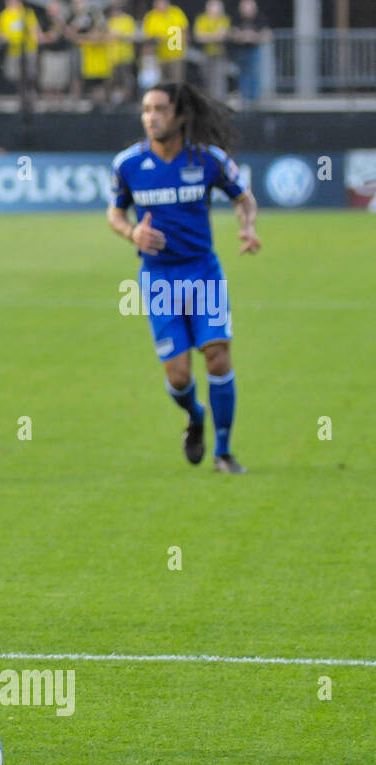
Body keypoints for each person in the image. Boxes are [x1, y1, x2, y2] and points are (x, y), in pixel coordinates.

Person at [107, 82, 260, 474]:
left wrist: (249, 227)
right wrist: (132, 233)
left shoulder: (208, 160)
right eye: (146, 110)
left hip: (202, 272)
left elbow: (242, 197)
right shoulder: (128, 164)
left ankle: (223, 453)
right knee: (178, 377)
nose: (151, 117)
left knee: (218, 356)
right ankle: (195, 415)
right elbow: (115, 213)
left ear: (180, 116)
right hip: (159, 279)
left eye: (159, 109)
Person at [0, 0, 38, 107]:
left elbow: (34, 29)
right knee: (15, 74)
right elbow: (1, 33)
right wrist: (4, 38)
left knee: (29, 73)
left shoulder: (27, 13)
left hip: (28, 49)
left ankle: (30, 92)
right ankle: (21, 94)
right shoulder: (3, 15)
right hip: (13, 51)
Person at [228, 0, 270, 104]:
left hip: (254, 50)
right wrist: (245, 36)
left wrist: (253, 37)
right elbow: (233, 34)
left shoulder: (260, 19)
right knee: (242, 73)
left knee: (254, 72)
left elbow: (267, 35)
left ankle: (255, 97)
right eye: (245, 7)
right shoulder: (237, 19)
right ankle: (244, 96)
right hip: (241, 50)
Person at [143, 0, 188, 83]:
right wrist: (158, 38)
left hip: (176, 55)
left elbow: (184, 30)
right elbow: (148, 37)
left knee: (176, 82)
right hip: (159, 57)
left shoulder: (176, 12)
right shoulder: (151, 16)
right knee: (161, 83)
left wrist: (184, 48)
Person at [194, 2, 231, 100]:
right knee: (206, 79)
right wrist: (215, 36)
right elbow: (199, 36)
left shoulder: (224, 19)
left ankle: (219, 101)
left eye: (217, 7)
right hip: (205, 54)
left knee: (219, 80)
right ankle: (208, 101)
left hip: (220, 54)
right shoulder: (202, 19)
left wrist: (208, 36)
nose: (215, 10)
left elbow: (223, 36)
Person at [106, 0, 138, 104]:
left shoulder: (128, 20)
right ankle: (113, 102)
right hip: (111, 57)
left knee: (126, 80)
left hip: (125, 56)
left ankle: (127, 101)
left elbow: (133, 36)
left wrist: (121, 36)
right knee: (113, 82)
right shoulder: (109, 21)